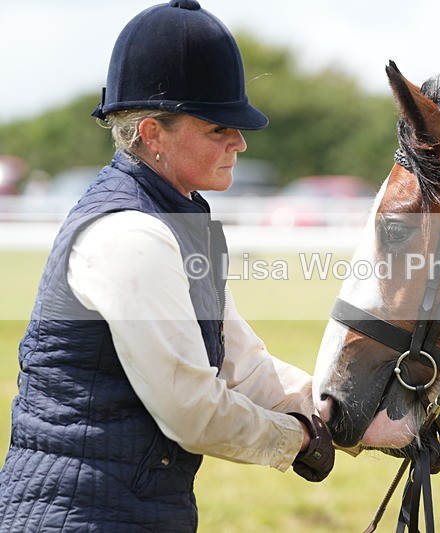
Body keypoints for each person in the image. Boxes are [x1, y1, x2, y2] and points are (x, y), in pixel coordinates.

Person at [0, 1, 334, 531]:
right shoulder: (132, 235)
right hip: (82, 516)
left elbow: (244, 369)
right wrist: (297, 440)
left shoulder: (176, 220)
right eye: (218, 128)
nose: (240, 142)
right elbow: (191, 409)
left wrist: (350, 414)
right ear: (153, 134)